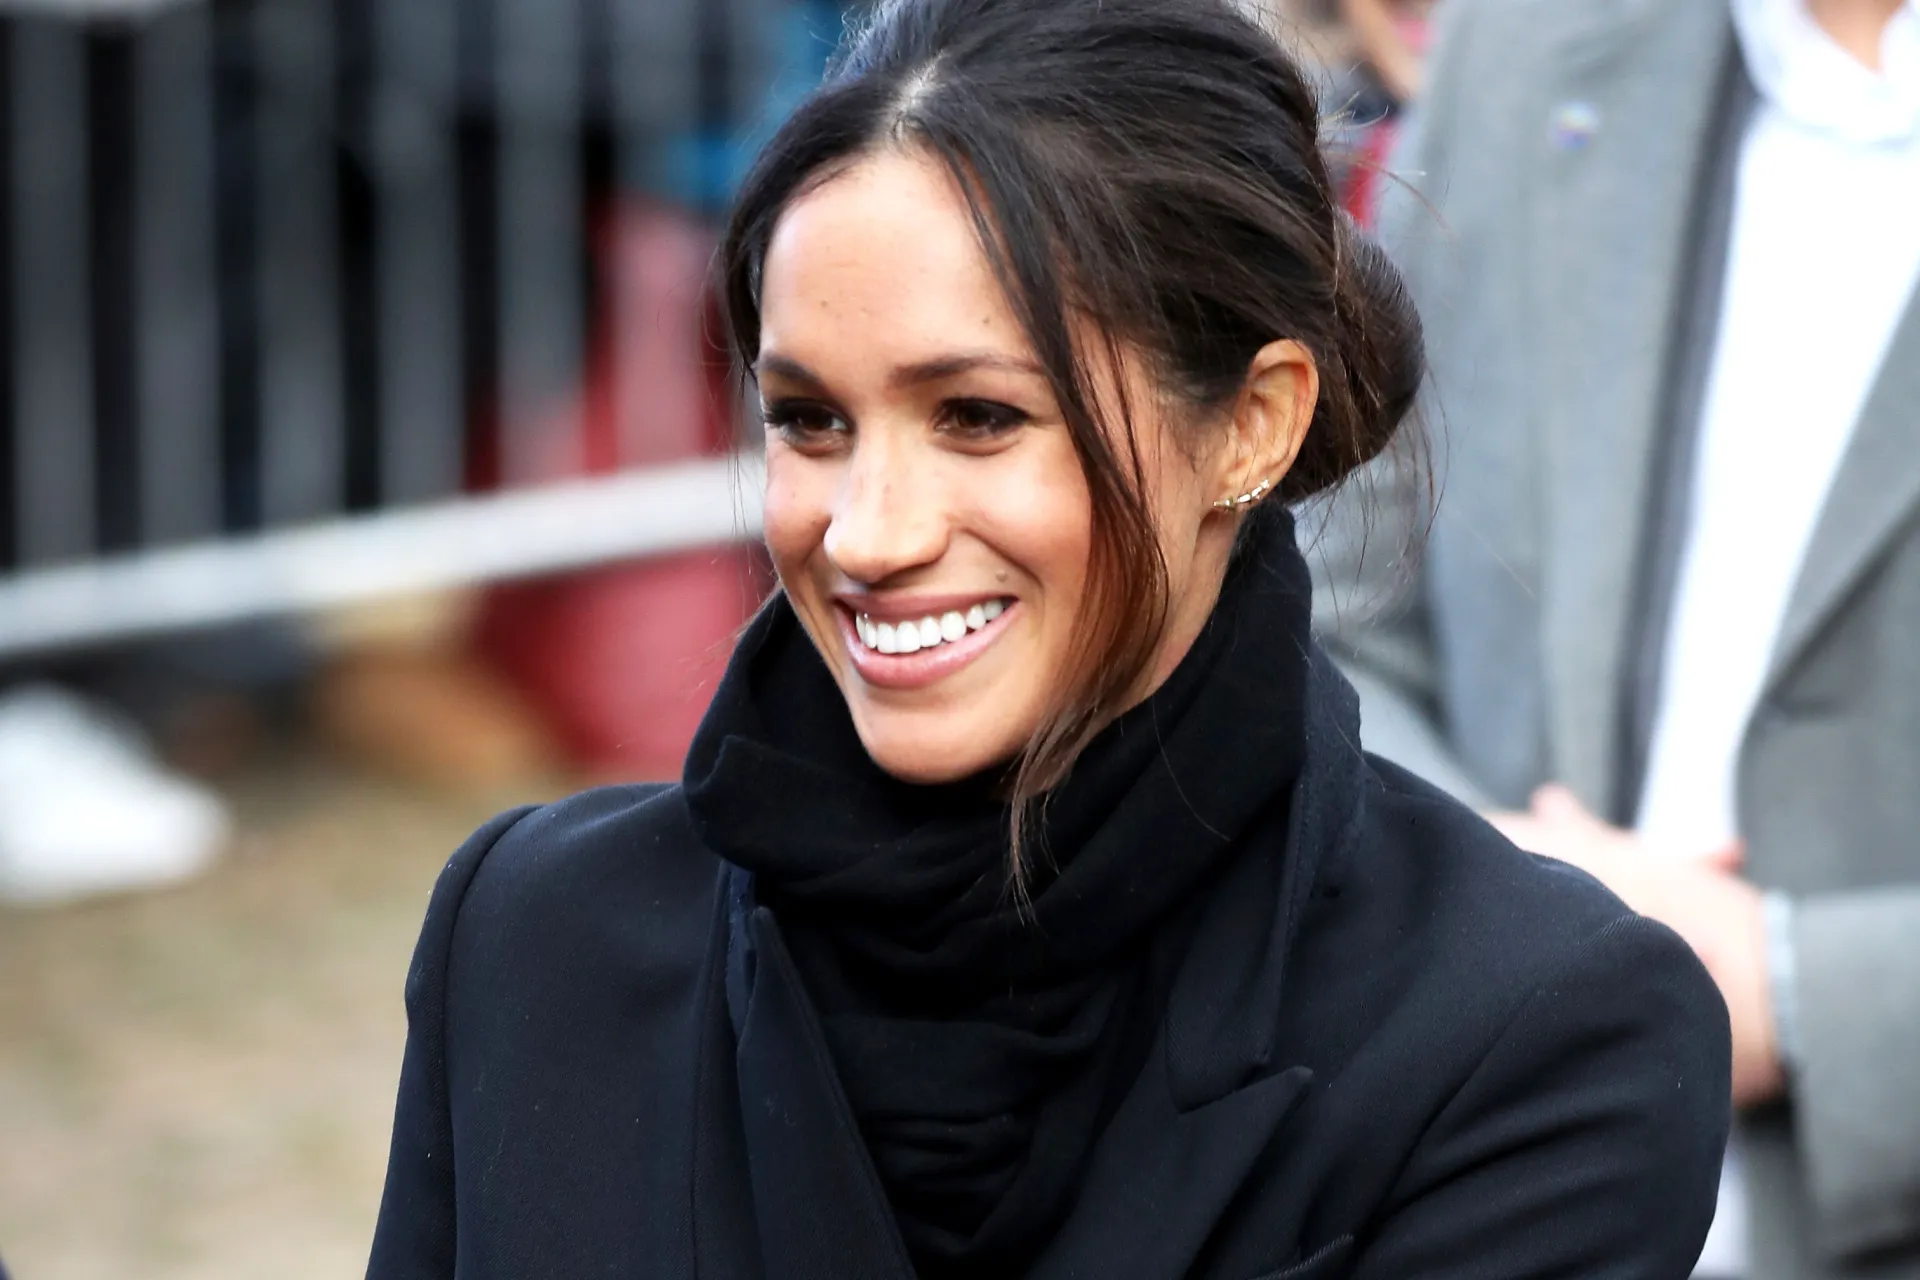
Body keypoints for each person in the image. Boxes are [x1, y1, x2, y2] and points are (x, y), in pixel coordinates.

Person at [366, 1, 1731, 1276]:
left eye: (979, 417)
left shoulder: (1531, 1042)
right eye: (809, 421)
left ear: (1253, 423)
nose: (866, 532)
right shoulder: (532, 937)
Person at [1315, 0, 1920, 1276]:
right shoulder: (1525, 46)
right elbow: (1332, 622)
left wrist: (1815, 994)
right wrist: (1488, 893)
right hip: (1477, 1205)